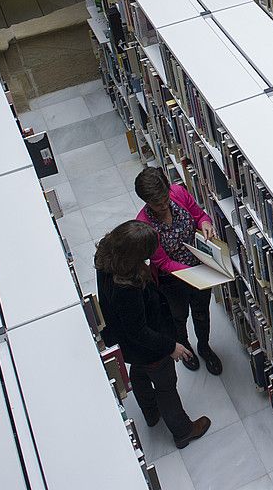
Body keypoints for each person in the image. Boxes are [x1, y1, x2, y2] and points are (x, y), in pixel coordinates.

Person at [95, 221, 211, 447]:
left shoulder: (105, 261)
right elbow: (140, 331)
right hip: (149, 348)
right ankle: (183, 430)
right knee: (166, 385)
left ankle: (150, 413)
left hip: (126, 343)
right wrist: (171, 347)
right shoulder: (127, 288)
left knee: (139, 374)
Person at [134, 167, 223, 375]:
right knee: (178, 317)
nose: (164, 205)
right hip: (171, 280)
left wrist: (205, 223)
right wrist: (192, 273)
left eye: (165, 198)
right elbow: (162, 262)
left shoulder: (178, 192)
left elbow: (199, 214)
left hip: (199, 267)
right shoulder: (143, 225)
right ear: (147, 202)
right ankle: (185, 348)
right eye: (158, 204)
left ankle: (204, 346)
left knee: (201, 312)